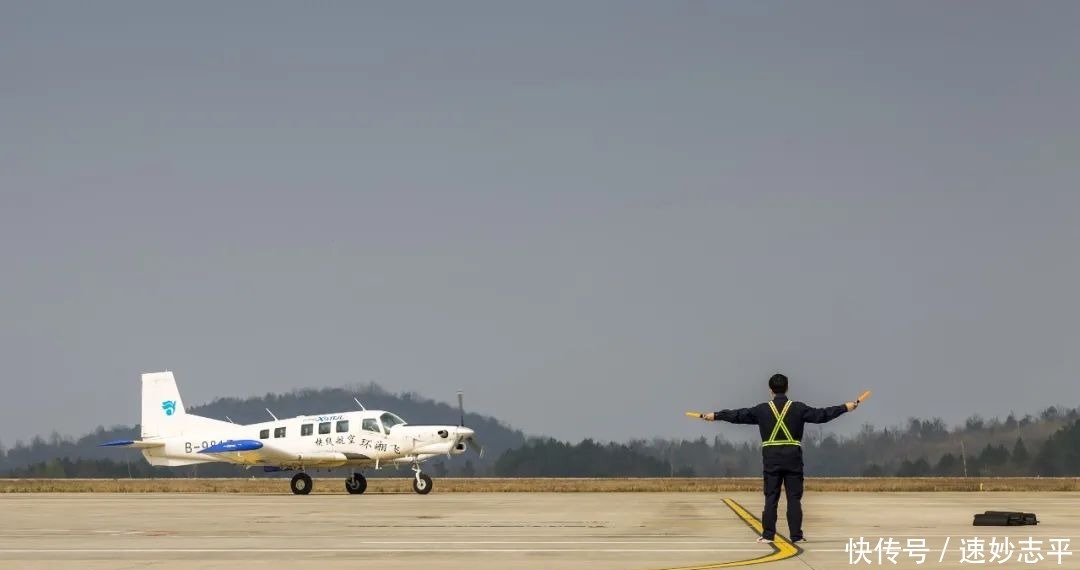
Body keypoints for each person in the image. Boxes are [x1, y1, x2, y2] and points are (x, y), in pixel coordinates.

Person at [701, 373, 859, 543]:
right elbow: (822, 415)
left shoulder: (761, 410)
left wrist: (716, 415)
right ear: (787, 387)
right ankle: (796, 536)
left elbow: (737, 415)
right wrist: (845, 407)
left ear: (770, 390)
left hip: (771, 459)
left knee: (771, 497)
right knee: (794, 498)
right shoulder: (798, 408)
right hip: (793, 458)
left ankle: (768, 535)